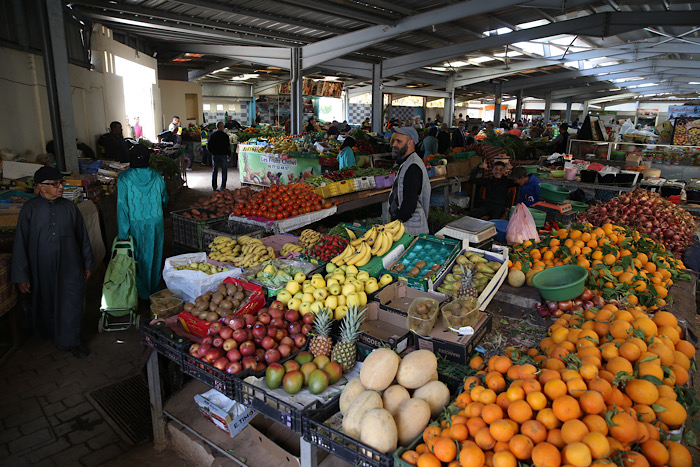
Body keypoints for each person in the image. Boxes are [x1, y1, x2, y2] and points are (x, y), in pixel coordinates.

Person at [11, 166, 95, 358]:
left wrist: (88, 263)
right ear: (40, 187)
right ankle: (52, 334)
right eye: (54, 184)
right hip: (41, 268)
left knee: (71, 302)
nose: (60, 187)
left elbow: (83, 238)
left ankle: (72, 341)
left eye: (61, 183)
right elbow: (20, 243)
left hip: (71, 265)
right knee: (46, 302)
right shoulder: (29, 209)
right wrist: (21, 275)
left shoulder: (70, 207)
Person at [117, 145, 169, 300]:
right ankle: (153, 290)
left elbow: (122, 205)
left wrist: (123, 232)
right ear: (148, 159)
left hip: (135, 223)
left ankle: (141, 292)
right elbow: (164, 198)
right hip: (155, 221)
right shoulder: (156, 175)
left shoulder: (124, 177)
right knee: (155, 254)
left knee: (138, 257)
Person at [388, 127, 431, 235]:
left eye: (399, 141)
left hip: (411, 228)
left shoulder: (413, 166)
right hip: (406, 226)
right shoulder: (407, 162)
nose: (394, 144)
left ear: (410, 142)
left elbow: (409, 203)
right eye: (394, 141)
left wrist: (397, 220)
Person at [207, 122, 231, 191]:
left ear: (216, 127)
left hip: (215, 155)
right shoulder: (225, 136)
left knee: (215, 171)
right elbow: (228, 146)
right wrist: (229, 155)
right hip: (223, 155)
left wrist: (212, 152)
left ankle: (214, 186)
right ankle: (223, 187)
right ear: (222, 127)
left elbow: (209, 145)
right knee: (224, 171)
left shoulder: (213, 135)